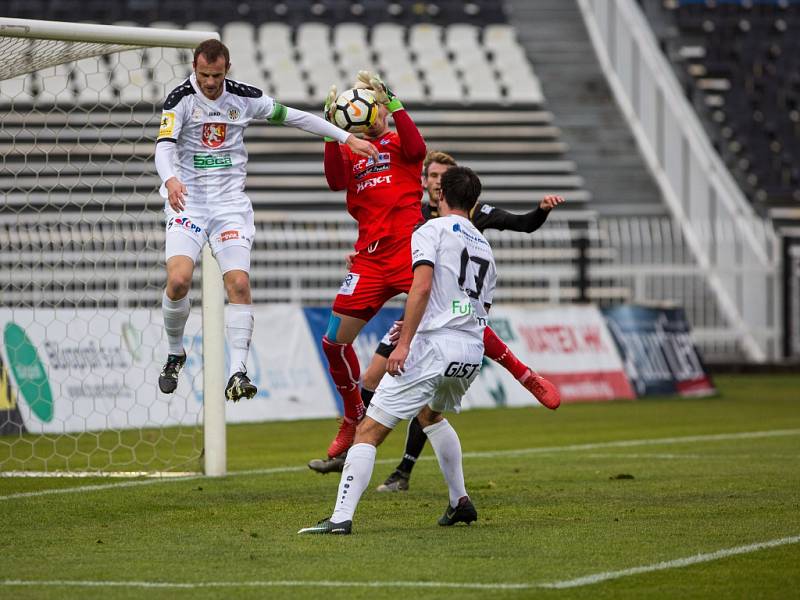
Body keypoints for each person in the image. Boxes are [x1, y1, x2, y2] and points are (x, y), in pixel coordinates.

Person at [308, 151, 565, 482]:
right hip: (418, 311)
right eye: (432, 176)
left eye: (442, 177)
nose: (436, 182)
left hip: (449, 308)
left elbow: (521, 224)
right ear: (425, 180)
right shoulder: (413, 212)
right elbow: (391, 244)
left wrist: (540, 211)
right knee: (372, 378)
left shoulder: (472, 214)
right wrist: (365, 257)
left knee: (455, 342)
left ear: (448, 188)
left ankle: (401, 469)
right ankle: (353, 447)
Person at [154, 40, 377, 401]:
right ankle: (175, 352)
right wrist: (170, 178)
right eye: (204, 74)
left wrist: (346, 137)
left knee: (239, 285)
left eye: (217, 75)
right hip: (189, 204)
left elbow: (294, 117)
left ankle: (238, 371)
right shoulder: (180, 100)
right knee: (178, 281)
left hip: (229, 206)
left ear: (227, 69)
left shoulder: (244, 98)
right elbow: (163, 146)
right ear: (194, 68)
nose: (210, 82)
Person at [298, 165, 496, 535]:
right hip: (471, 348)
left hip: (434, 344)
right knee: (431, 417)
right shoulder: (484, 245)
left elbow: (419, 287)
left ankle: (340, 518)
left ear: (439, 196)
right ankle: (460, 502)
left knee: (368, 431)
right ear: (475, 201)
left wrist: (404, 344)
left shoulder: (429, 230)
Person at [316, 71, 427, 460]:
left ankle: (521, 372)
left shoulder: (399, 142)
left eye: (375, 104)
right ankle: (352, 417)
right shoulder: (351, 149)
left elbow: (419, 149)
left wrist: (395, 102)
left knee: (448, 324)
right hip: (368, 258)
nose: (372, 112)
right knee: (333, 342)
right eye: (368, 105)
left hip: (409, 253)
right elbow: (333, 181)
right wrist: (332, 131)